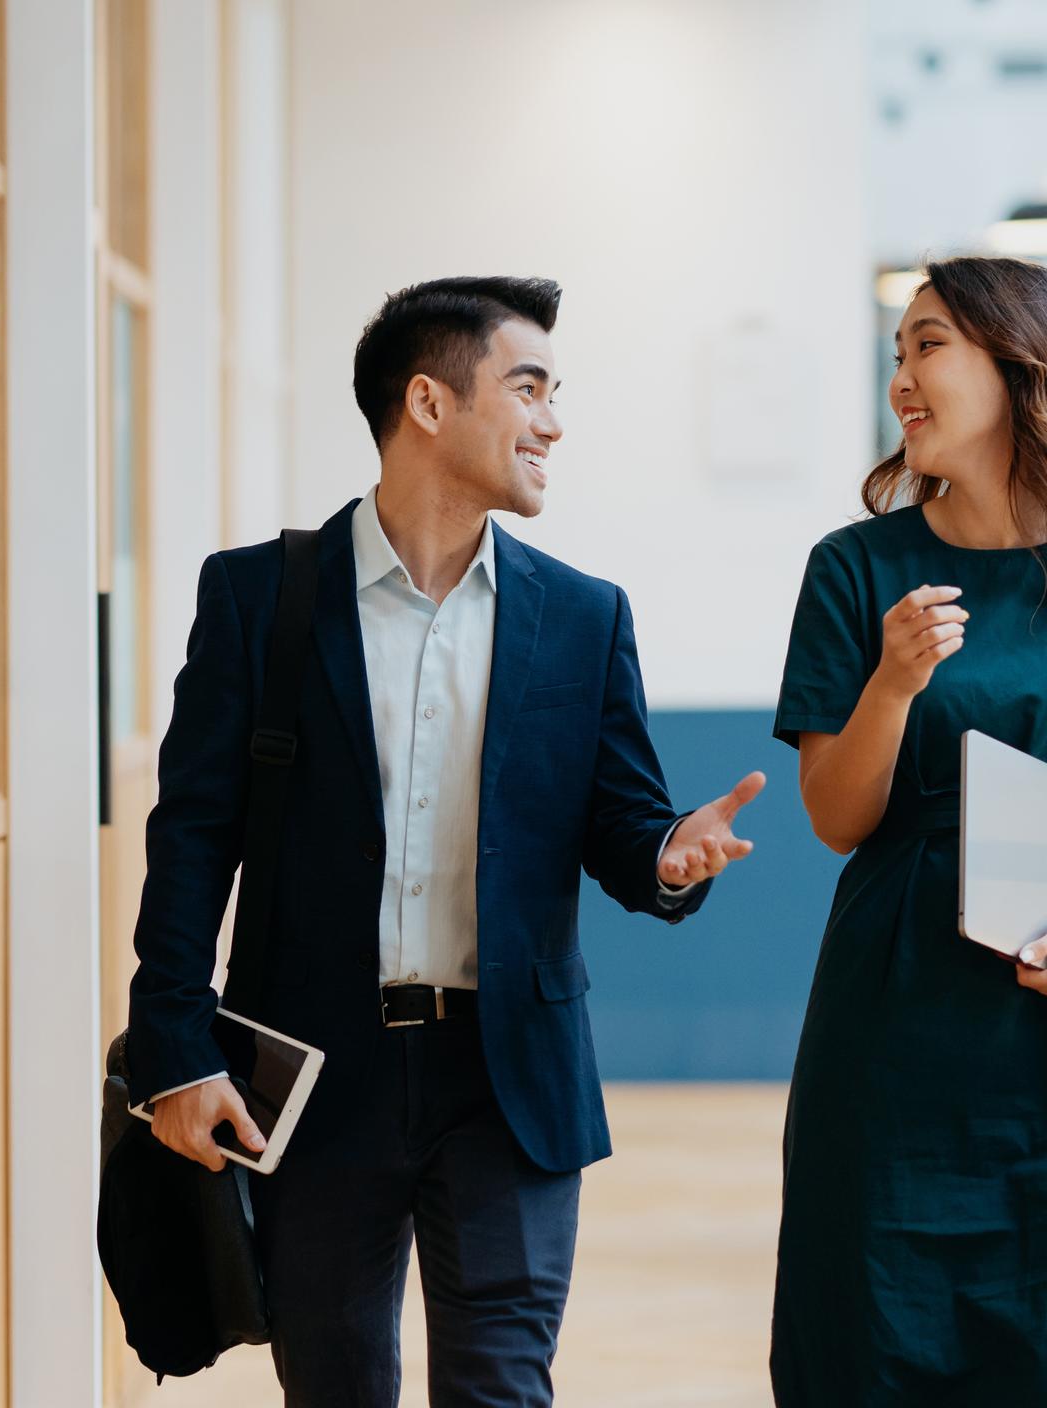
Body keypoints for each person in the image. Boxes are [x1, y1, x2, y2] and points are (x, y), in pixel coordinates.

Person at [127, 275, 763, 1406]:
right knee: (335, 1389)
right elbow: (190, 843)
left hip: (505, 1077)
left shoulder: (582, 614)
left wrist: (668, 857)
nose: (553, 421)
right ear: (428, 401)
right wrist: (175, 1048)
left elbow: (623, 824)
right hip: (312, 1078)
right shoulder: (258, 600)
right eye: (528, 388)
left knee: (502, 1390)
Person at [770, 255, 1047, 1405]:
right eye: (897, 352)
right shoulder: (855, 566)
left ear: (1018, 363)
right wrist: (889, 684)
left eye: (928, 344)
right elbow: (836, 818)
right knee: (874, 1328)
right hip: (894, 1021)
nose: (902, 379)